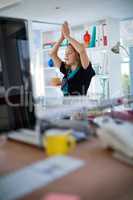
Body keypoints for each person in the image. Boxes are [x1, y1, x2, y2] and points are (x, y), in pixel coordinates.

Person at [49, 21, 95, 96]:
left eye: (69, 53)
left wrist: (67, 36)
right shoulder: (67, 69)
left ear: (77, 55)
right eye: (65, 54)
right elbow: (52, 54)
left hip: (80, 106)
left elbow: (82, 50)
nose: (66, 56)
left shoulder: (84, 69)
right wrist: (62, 38)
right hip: (66, 106)